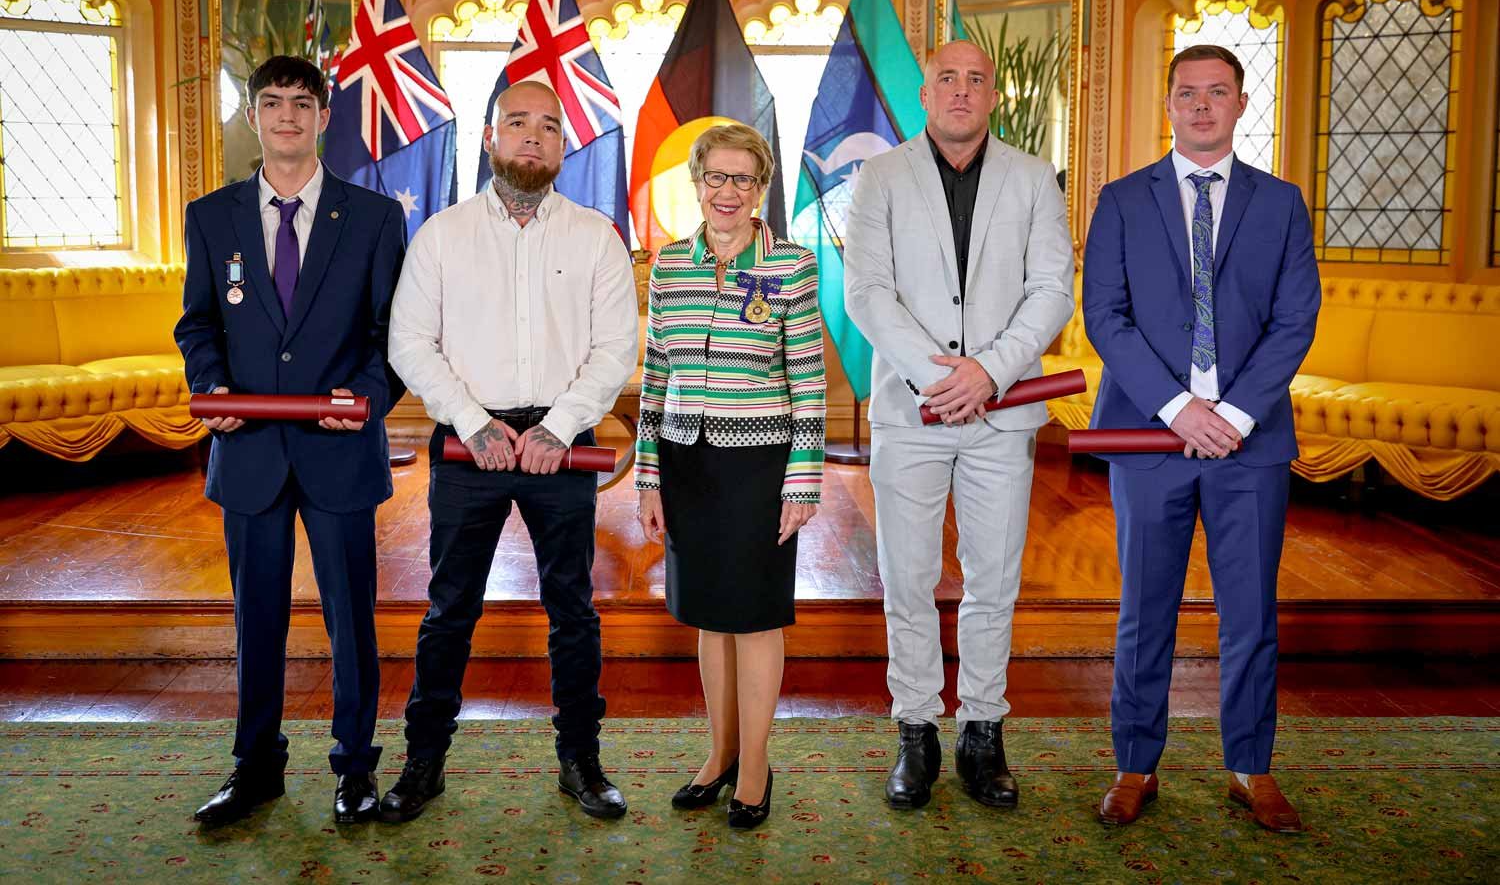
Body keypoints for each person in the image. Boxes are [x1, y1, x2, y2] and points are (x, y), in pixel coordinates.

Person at [381, 80, 639, 823]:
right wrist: (472, 422)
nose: (533, 136)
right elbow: (410, 342)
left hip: (564, 446)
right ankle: (423, 762)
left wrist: (560, 427)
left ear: (564, 147)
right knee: (449, 608)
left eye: (549, 126)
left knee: (573, 607)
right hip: (471, 447)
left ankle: (581, 761)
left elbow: (614, 349)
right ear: (491, 138)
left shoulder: (594, 236)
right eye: (518, 123)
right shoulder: (442, 235)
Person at [1083, 44, 1320, 833]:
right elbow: (1105, 320)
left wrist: (1237, 416)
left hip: (1252, 445)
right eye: (1188, 93)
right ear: (1169, 104)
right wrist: (1180, 408)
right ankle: (1134, 765)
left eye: (1218, 93)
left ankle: (1250, 769)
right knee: (1144, 610)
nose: (1201, 106)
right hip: (1150, 440)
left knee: (1250, 612)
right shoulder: (1120, 200)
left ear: (1241, 104)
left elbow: (1295, 322)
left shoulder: (1282, 203)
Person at [175, 54, 407, 827]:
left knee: (351, 619)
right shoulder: (210, 217)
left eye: (301, 104)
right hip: (248, 454)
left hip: (338, 451)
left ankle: (354, 769)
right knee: (257, 618)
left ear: (322, 116)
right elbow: (197, 324)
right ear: (252, 114)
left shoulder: (375, 218)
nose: (285, 117)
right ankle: (255, 769)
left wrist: (370, 399)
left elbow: (390, 339)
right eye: (271, 103)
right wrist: (210, 388)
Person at [844, 40, 1074, 811]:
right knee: (906, 579)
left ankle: (983, 731)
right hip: (912, 410)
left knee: (993, 580)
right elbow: (868, 293)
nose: (963, 91)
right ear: (926, 92)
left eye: (978, 80)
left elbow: (1050, 290)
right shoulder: (879, 175)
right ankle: (916, 730)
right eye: (949, 78)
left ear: (993, 98)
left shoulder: (1034, 177)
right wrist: (939, 377)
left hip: (1001, 415)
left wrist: (991, 372)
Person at [636, 123, 826, 830]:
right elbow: (655, 378)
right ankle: (717, 756)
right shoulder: (668, 267)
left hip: (761, 464)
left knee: (753, 617)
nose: (727, 192)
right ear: (696, 183)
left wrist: (803, 481)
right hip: (688, 462)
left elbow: (808, 381)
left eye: (742, 179)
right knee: (710, 617)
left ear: (760, 189)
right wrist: (648, 479)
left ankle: (755, 767)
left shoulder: (794, 267)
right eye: (715, 177)